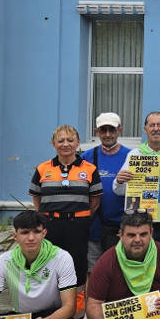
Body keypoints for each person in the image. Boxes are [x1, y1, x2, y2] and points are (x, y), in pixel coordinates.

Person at [29, 125, 101, 308]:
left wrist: (80, 217)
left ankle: (76, 309)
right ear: (53, 144)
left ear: (77, 143)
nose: (66, 144)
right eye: (61, 140)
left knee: (77, 266)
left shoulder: (90, 169)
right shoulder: (42, 168)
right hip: (50, 225)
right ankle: (51, 306)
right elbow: (37, 198)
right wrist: (44, 218)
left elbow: (95, 201)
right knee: (49, 265)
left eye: (70, 140)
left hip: (77, 225)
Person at [114, 112, 160, 257]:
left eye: (159, 125)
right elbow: (119, 191)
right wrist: (119, 181)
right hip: (138, 222)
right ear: (145, 129)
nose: (156, 129)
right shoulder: (135, 154)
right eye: (151, 125)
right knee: (138, 263)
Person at [83, 112, 131, 271]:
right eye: (103, 130)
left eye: (112, 130)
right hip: (95, 227)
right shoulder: (86, 157)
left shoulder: (131, 157)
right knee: (94, 272)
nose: (108, 134)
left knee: (120, 272)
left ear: (120, 130)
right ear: (96, 132)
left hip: (122, 227)